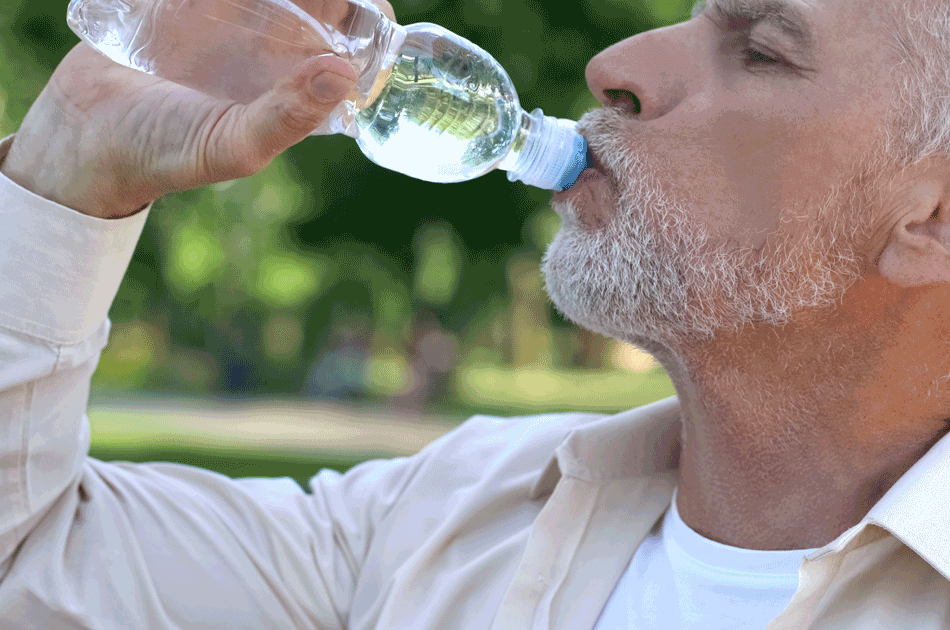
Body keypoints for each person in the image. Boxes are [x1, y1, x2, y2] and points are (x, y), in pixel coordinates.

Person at [2, 0, 950, 626]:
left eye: (759, 51)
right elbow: (30, 570)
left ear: (933, 219)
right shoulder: (449, 514)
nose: (615, 65)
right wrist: (65, 172)